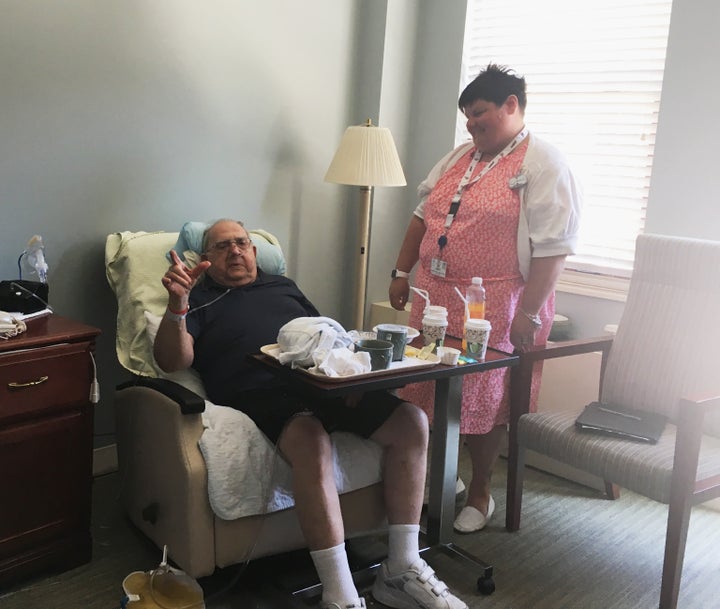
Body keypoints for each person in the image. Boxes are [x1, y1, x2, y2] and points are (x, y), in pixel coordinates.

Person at [154, 219, 468, 609]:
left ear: (254, 251)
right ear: (205, 259)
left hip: (321, 380)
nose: (235, 251)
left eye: (242, 243)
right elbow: (172, 360)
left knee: (412, 422)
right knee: (310, 439)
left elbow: (325, 332)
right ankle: (339, 594)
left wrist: (350, 375)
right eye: (222, 246)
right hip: (258, 388)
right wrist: (177, 305)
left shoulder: (284, 286)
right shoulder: (199, 298)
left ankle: (401, 568)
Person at [389, 64, 582, 533]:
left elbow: (554, 250)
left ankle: (480, 491)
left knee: (483, 398)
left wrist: (529, 313)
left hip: (495, 303)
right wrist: (400, 271)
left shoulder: (543, 164)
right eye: (468, 118)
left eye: (480, 114)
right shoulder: (459, 157)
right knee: (426, 388)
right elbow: (422, 215)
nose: (472, 125)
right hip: (434, 296)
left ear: (511, 105)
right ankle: (443, 476)